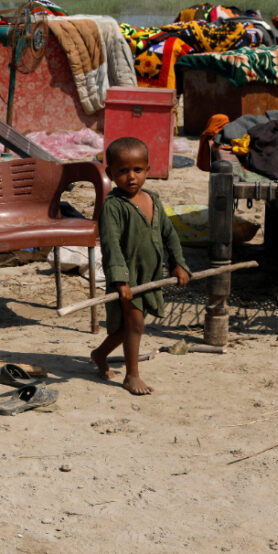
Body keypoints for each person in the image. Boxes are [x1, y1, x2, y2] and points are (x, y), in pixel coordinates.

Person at [91, 137, 190, 395]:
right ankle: (131, 375)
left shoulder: (153, 200)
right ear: (110, 172)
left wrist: (178, 263)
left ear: (148, 169)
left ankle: (100, 354)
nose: (131, 177)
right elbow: (111, 245)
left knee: (128, 326)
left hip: (151, 275)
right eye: (123, 171)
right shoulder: (112, 208)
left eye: (137, 170)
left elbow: (169, 234)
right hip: (129, 277)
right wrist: (121, 280)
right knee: (135, 324)